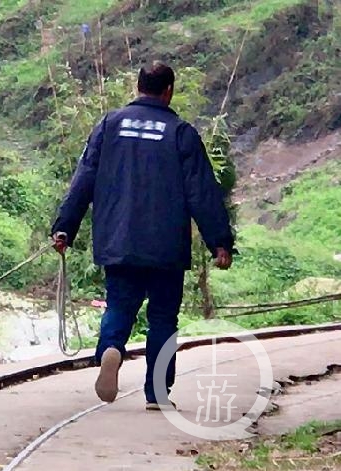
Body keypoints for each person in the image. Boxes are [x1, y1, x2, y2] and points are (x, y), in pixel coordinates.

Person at [50, 61, 236, 410]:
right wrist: (220, 241)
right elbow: (201, 192)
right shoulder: (181, 132)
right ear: (169, 91)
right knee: (163, 318)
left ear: (137, 87)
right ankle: (157, 394)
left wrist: (64, 227)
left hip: (118, 239)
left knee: (120, 304)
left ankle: (111, 348)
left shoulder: (109, 125)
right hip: (166, 247)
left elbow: (84, 180)